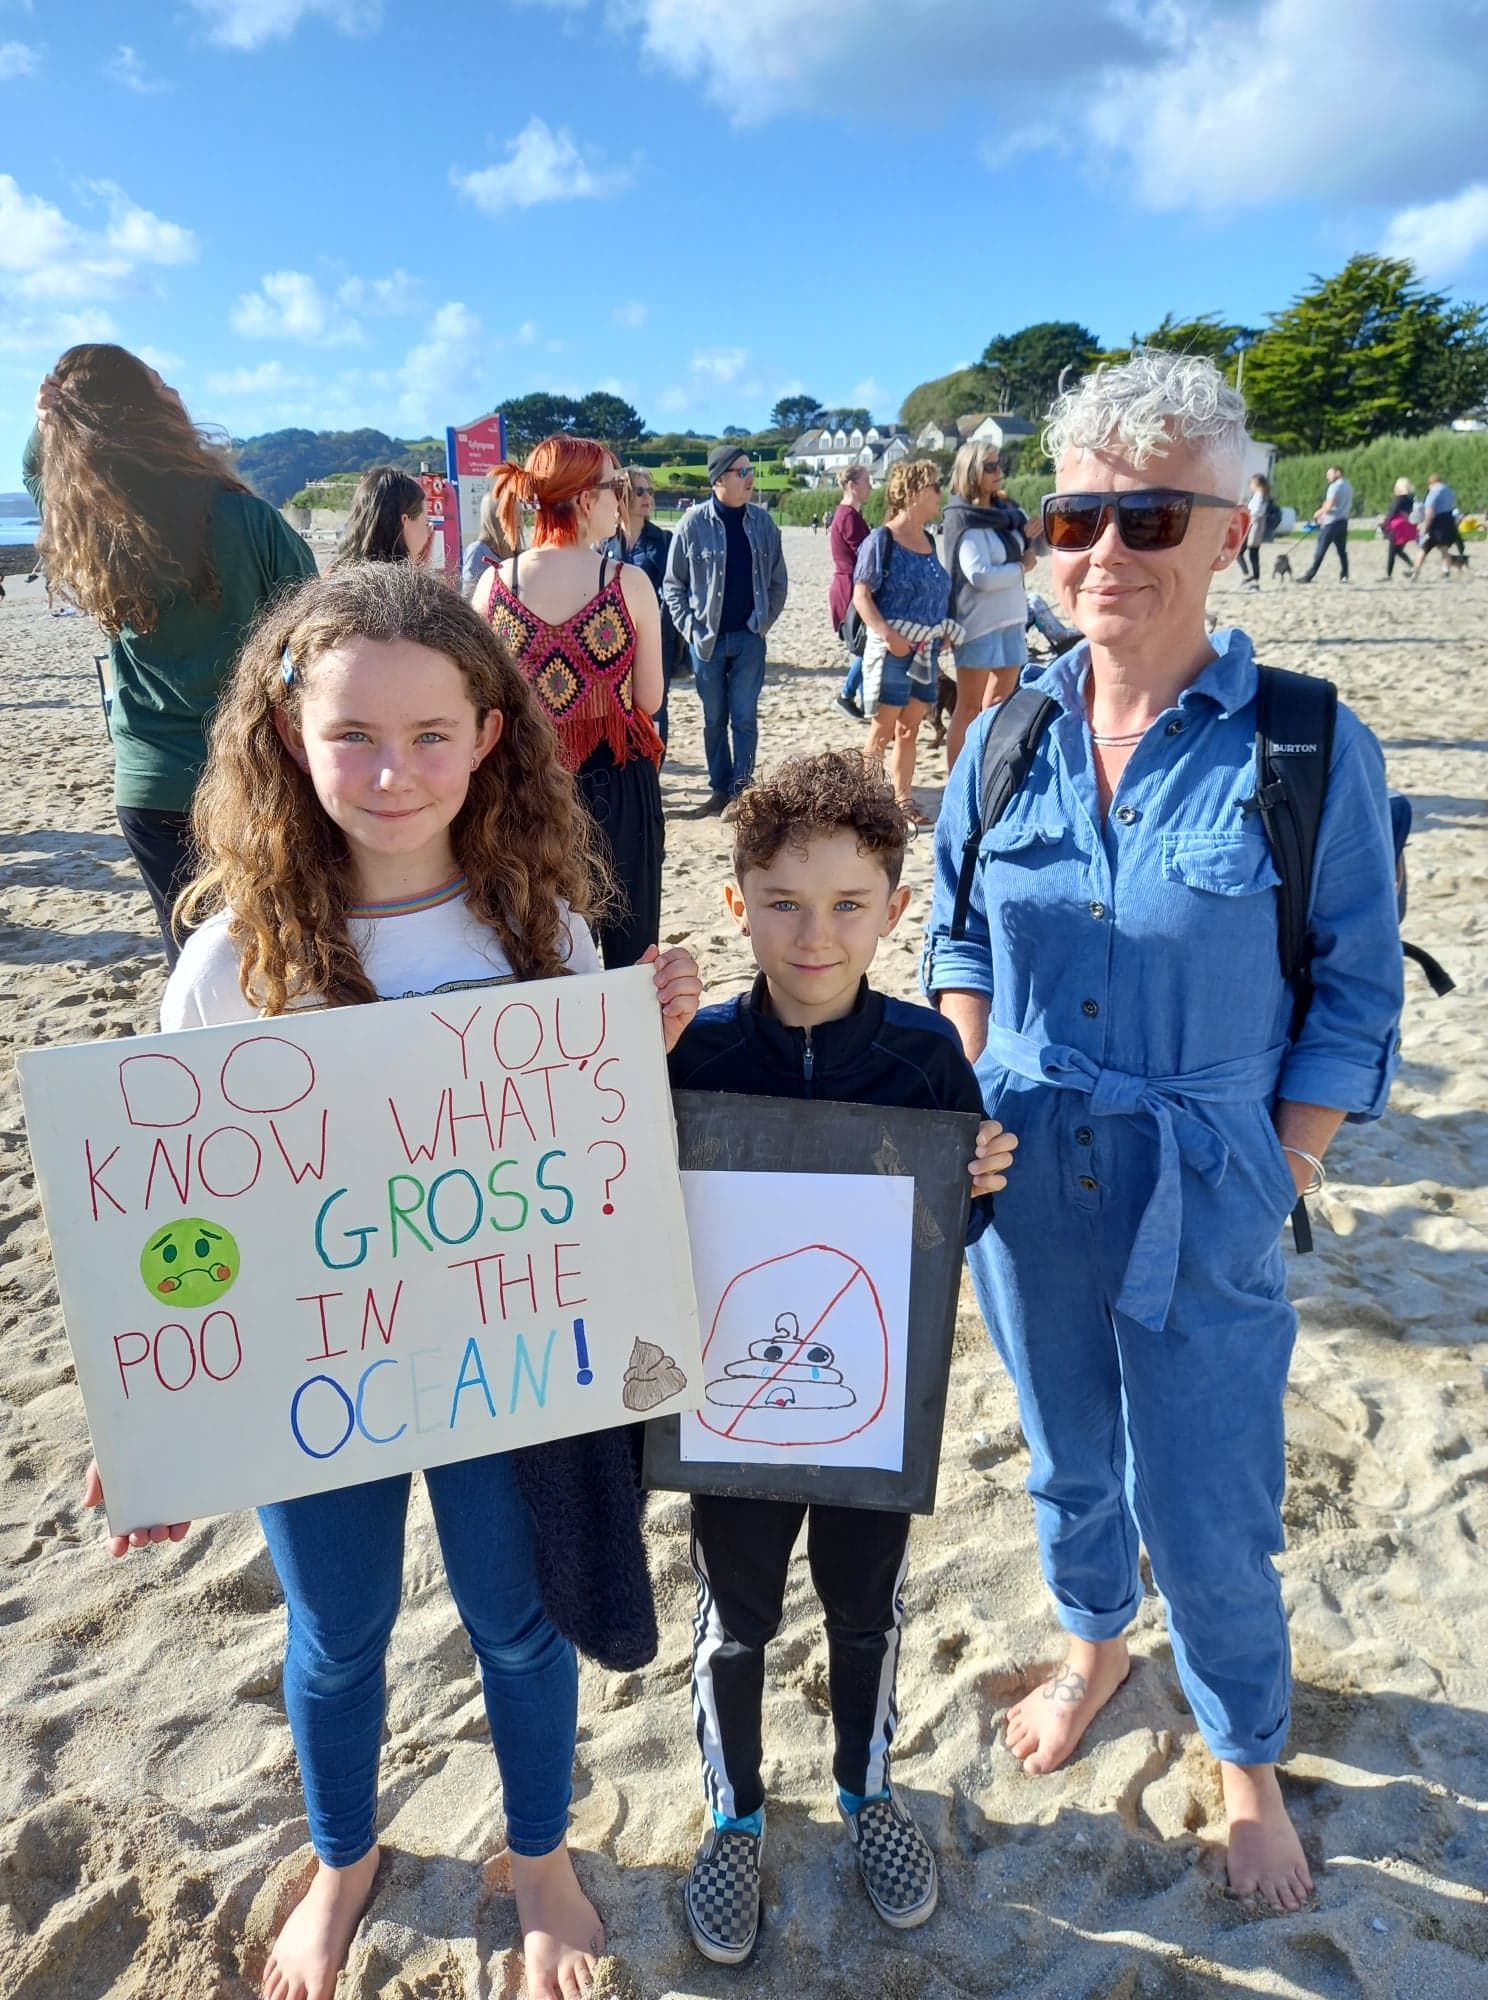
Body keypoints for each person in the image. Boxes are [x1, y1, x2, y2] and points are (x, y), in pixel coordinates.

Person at [84, 561, 702, 2000]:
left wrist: (637, 1048)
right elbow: (183, 1228)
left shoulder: (538, 930)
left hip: (504, 1370)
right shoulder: (232, 960)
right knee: (339, 1632)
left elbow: (581, 1173)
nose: (392, 770)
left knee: (517, 1617)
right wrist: (159, 1430)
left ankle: (539, 1855)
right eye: (352, 733)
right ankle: (345, 1856)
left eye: (432, 735)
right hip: (318, 1376)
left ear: (492, 737)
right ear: (285, 736)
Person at [923, 351, 1403, 1912]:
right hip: (1025, 1169)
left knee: (1209, 1484)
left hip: (1209, 1179)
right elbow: (957, 939)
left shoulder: (1306, 742)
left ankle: (1246, 1751)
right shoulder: (1004, 735)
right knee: (1067, 1454)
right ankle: (1091, 1647)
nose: (1105, 552)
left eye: (1151, 516)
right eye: (1077, 516)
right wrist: (976, 1091)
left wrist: (1293, 1163)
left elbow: (1352, 994)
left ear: (1232, 527)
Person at [666, 750, 1016, 1965]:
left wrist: (975, 1183)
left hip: (871, 1409)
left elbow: (941, 1239)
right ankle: (734, 1809)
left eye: (848, 904)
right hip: (734, 1412)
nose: (815, 934)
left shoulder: (924, 1057)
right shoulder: (697, 1052)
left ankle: (869, 1791)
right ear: (736, 904)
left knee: (866, 1607)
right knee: (733, 1620)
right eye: (782, 902)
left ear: (894, 910)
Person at [21, 343, 316, 965]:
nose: (174, 389)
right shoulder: (248, 519)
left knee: (194, 963)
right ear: (152, 413)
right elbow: (316, 632)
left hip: (151, 785)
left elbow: (39, 478)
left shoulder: (92, 526)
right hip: (255, 775)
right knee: (284, 949)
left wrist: (45, 427)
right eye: (160, 383)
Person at [474, 435, 666, 969]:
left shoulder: (491, 588)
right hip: (615, 784)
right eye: (616, 487)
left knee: (536, 947)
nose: (620, 499)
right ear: (585, 500)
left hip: (523, 789)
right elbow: (648, 699)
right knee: (632, 954)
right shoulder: (628, 583)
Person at [662, 443, 788, 818]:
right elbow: (673, 585)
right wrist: (690, 628)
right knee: (714, 719)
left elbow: (778, 582)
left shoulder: (763, 523)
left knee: (745, 716)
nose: (750, 479)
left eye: (751, 472)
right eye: (742, 472)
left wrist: (761, 624)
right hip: (708, 640)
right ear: (719, 479)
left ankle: (742, 792)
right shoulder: (692, 524)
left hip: (750, 638)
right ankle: (720, 789)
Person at [852, 459, 953, 827]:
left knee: (910, 729)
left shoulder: (928, 539)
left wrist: (942, 633)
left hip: (925, 651)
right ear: (912, 494)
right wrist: (889, 636)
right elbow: (861, 595)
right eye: (935, 487)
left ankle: (902, 799)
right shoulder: (882, 540)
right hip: (894, 650)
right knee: (883, 728)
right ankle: (863, 802)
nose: (941, 494)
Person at [941, 442, 1035, 769]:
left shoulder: (1007, 513)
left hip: (1012, 618)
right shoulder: (962, 516)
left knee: (1000, 706)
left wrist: (1034, 534)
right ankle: (957, 780)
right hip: (976, 623)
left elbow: (1036, 545)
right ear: (972, 471)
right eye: (991, 466)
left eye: (1000, 464)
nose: (999, 472)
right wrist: (1021, 567)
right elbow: (979, 575)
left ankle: (985, 773)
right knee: (967, 708)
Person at [602, 466, 683, 747]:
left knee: (656, 705)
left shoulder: (664, 542)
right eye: (639, 491)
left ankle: (654, 763)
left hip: (656, 638)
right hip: (612, 640)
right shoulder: (605, 544)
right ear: (622, 496)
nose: (647, 496)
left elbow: (675, 590)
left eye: (650, 490)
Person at [829, 465, 872, 718]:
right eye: (866, 482)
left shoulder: (848, 514)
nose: (869, 486)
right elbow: (864, 554)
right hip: (849, 587)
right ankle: (847, 695)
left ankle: (865, 704)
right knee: (864, 644)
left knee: (865, 645)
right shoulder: (848, 517)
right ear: (852, 485)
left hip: (849, 583)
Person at [336, 468, 433, 568]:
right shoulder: (402, 582)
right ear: (404, 521)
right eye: (426, 524)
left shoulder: (338, 573)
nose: (429, 533)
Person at [1297, 464, 1352, 582]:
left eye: (1329, 474)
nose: (1327, 477)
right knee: (1342, 550)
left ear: (1337, 473)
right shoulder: (1348, 486)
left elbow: (1330, 504)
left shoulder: (1334, 487)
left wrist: (1318, 513)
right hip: (1343, 521)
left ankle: (1309, 575)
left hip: (1331, 522)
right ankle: (1345, 574)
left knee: (1320, 549)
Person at [461, 485, 514, 600]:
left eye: (520, 514)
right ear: (497, 518)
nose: (520, 520)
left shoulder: (516, 552)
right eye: (514, 515)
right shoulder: (477, 552)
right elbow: (468, 597)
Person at [1419, 472, 1467, 575]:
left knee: (1425, 548)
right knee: (1444, 548)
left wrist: (1424, 527)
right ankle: (1446, 570)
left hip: (1437, 524)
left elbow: (1430, 512)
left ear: (1431, 483)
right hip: (1448, 521)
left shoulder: (1433, 492)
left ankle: (1415, 570)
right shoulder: (1449, 491)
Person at [1238, 472, 1270, 589]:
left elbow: (1255, 512)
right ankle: (1251, 577)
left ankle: (1252, 578)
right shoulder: (1260, 495)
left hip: (1253, 526)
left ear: (1256, 483)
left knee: (1249, 553)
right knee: (1251, 554)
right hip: (1255, 526)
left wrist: (1246, 511)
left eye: (1251, 483)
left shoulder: (1259, 495)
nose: (1250, 485)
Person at [1382, 477, 1418, 579]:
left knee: (1392, 551)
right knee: (1398, 550)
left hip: (1397, 527)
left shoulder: (1399, 499)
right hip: (1407, 527)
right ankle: (1412, 566)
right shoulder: (1411, 498)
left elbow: (1392, 512)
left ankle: (1388, 575)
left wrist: (1385, 524)